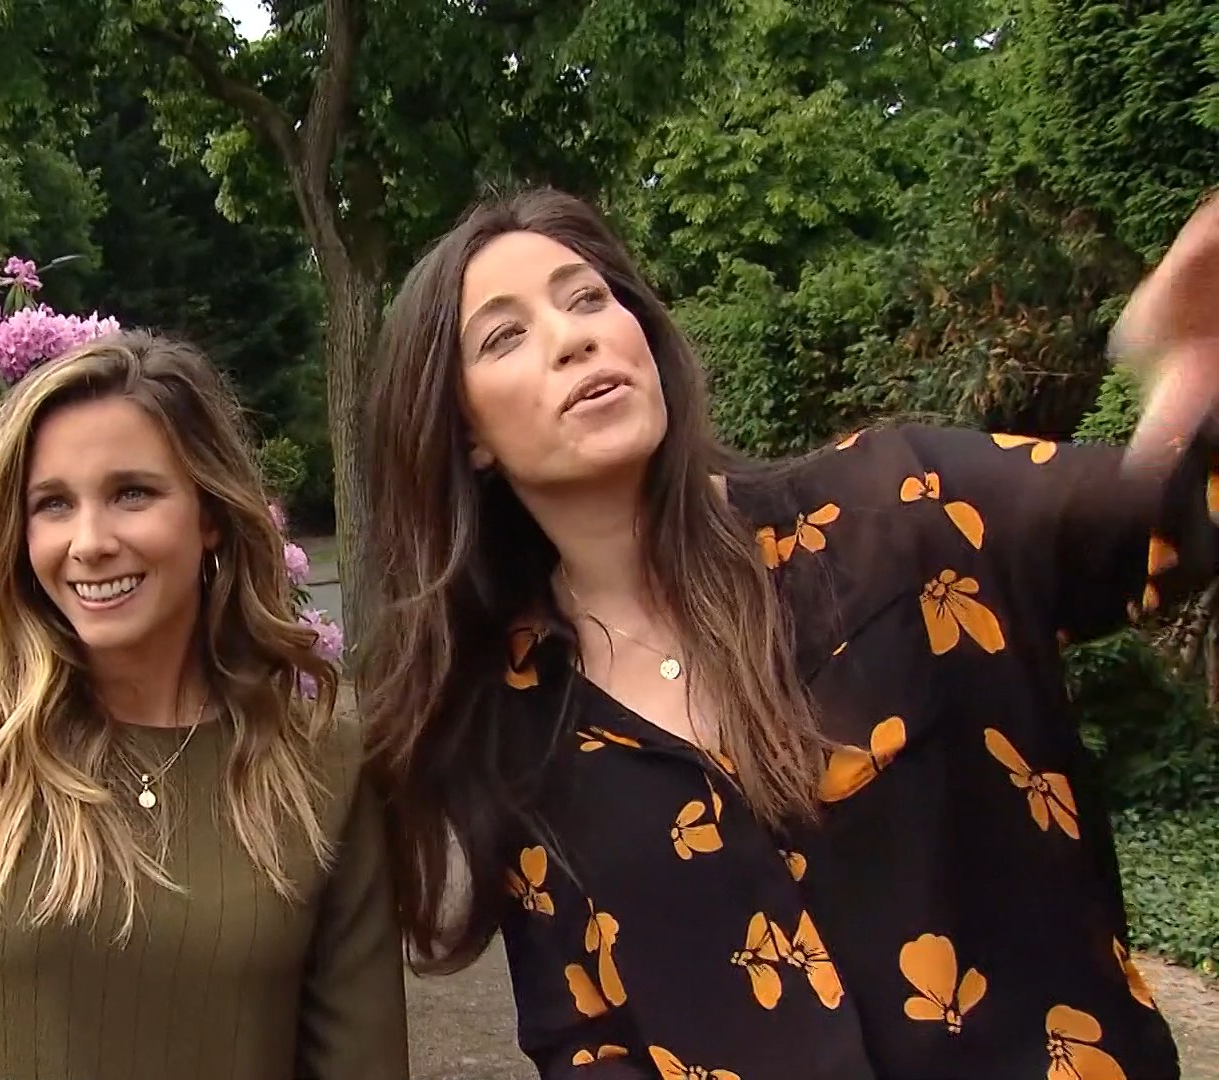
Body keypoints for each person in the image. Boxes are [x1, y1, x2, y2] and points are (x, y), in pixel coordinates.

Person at [356, 186, 1219, 1079]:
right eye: (505, 336)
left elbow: (1177, 518)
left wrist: (1201, 372)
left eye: (587, 298)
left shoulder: (908, 510)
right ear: (467, 435)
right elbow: (584, 1036)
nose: (573, 337)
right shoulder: (509, 727)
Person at [0, 331, 409, 1080]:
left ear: (209, 514)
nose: (90, 542)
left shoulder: (321, 766)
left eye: (132, 493)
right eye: (53, 504)